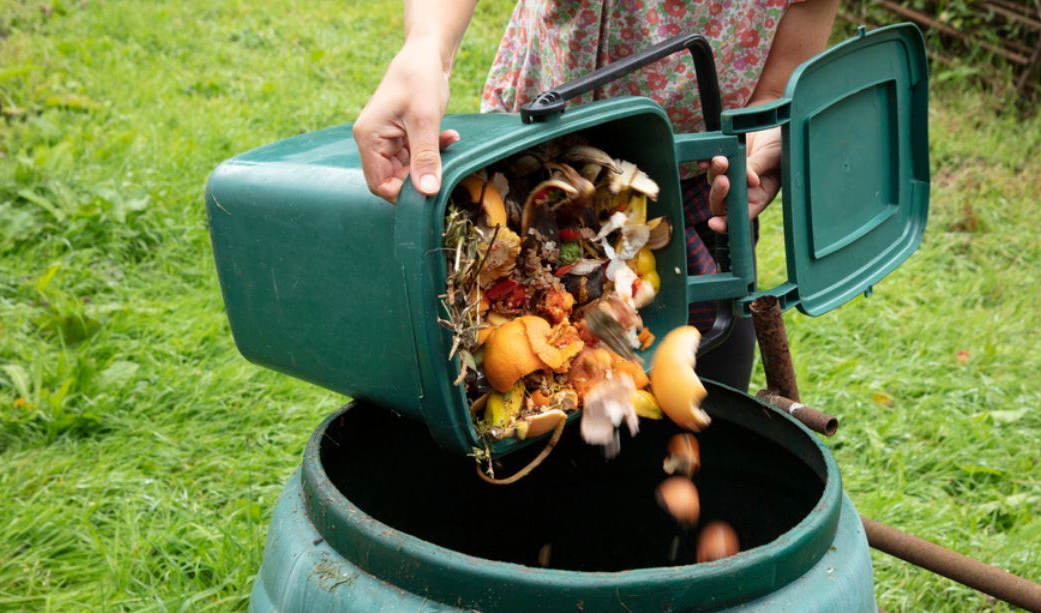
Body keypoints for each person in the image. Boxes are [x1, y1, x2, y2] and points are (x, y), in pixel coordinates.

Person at [353, 0, 838, 391]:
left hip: (697, 189)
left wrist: (762, 133)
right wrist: (426, 47)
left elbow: (792, 51)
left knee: (705, 387)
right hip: (530, 170)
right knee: (501, 372)